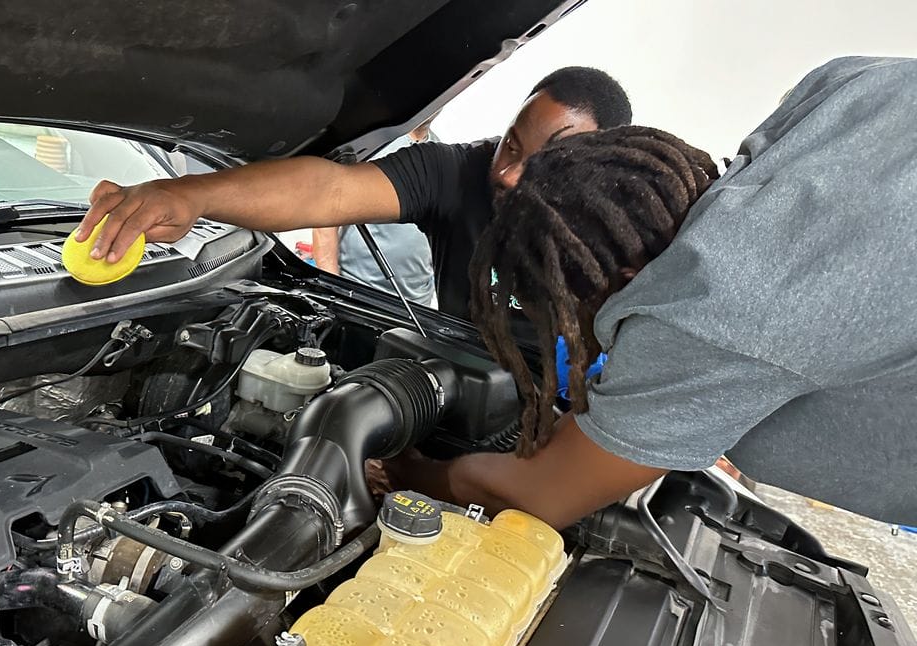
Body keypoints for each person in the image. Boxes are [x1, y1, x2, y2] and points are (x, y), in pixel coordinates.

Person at [379, 56, 917, 529]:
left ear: (627, 280)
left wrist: (410, 470)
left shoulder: (709, 312)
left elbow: (535, 493)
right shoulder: (843, 88)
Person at [76, 66, 633, 320]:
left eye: (544, 166)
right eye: (511, 145)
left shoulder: (634, 223)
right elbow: (330, 189)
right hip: (460, 391)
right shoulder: (458, 170)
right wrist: (190, 195)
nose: (509, 173)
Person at [311, 118, 438, 308]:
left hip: (416, 305)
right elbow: (326, 219)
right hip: (358, 294)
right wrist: (332, 288)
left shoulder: (439, 155)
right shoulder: (371, 146)